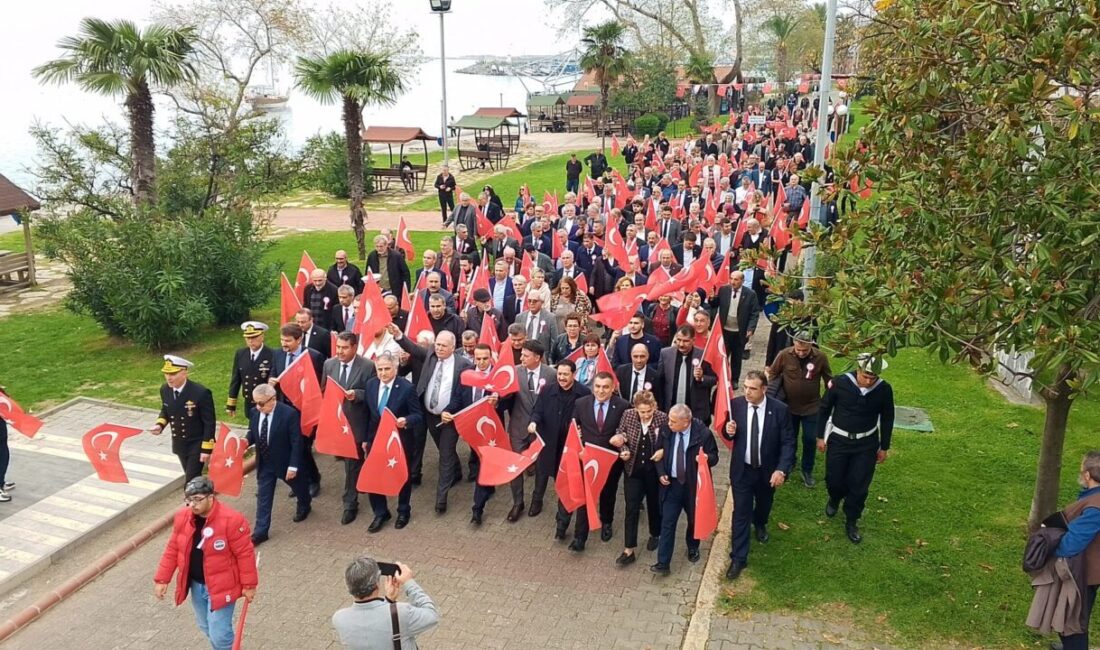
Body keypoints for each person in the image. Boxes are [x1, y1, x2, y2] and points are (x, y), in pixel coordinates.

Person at [154, 476, 257, 650]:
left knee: (219, 633)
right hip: (196, 585)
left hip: (221, 586)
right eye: (189, 500)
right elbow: (173, 549)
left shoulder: (231, 520)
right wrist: (162, 579)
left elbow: (245, 554)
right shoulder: (182, 517)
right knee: (206, 626)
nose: (192, 505)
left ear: (211, 497)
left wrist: (249, 585)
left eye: (197, 499)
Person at [721, 371, 795, 580]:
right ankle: (738, 558)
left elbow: (788, 442)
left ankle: (760, 522)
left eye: (752, 388)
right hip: (742, 471)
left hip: (767, 471)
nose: (747, 392)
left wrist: (781, 469)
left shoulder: (779, 410)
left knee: (763, 504)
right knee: (741, 512)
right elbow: (728, 435)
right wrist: (729, 431)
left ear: (764, 389)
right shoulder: (736, 406)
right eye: (745, 387)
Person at [391, 326, 472, 514]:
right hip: (429, 414)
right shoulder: (430, 355)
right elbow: (411, 347)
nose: (439, 348)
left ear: (453, 347)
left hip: (449, 418)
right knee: (444, 448)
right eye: (437, 345)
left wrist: (450, 410)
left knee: (445, 454)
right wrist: (398, 335)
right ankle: (457, 471)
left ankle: (441, 499)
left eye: (444, 346)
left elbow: (461, 394)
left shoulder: (463, 365)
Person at [816, 353, 895, 544]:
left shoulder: (884, 389)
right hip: (839, 440)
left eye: (872, 378)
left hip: (866, 444)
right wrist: (820, 436)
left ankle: (852, 520)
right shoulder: (840, 383)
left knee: (859, 485)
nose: (868, 381)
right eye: (865, 376)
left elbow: (887, 418)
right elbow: (825, 408)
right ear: (858, 370)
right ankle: (834, 498)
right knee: (834, 479)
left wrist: (884, 446)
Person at [559, 371, 629, 551]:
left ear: (613, 388)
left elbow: (627, 430)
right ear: (592, 387)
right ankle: (579, 538)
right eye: (597, 386)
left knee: (608, 493)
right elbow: (573, 424)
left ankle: (606, 522)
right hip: (587, 459)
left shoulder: (622, 406)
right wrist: (576, 432)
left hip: (610, 461)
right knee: (585, 496)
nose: (601, 390)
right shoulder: (581, 403)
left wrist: (622, 437)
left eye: (606, 387)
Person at [650, 404, 720, 575]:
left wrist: (705, 458)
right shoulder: (666, 431)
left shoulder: (703, 434)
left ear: (686, 422)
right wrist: (661, 473)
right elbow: (658, 453)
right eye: (669, 420)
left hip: (693, 486)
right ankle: (663, 563)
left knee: (693, 520)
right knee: (668, 522)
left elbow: (714, 456)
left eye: (674, 422)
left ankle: (693, 547)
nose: (669, 424)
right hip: (672, 485)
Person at [362, 353, 423, 532]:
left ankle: (403, 510)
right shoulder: (371, 385)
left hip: (399, 440)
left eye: (387, 369)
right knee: (374, 476)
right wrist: (365, 439)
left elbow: (418, 415)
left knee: (401, 476)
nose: (383, 373)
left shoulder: (406, 388)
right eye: (379, 369)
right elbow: (368, 415)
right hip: (376, 439)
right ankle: (380, 513)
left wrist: (406, 420)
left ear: (395, 369)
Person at [245, 385, 312, 544]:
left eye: (261, 403)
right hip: (265, 463)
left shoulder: (289, 414)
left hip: (284, 462)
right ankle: (260, 532)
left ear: (273, 399)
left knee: (299, 488)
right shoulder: (255, 413)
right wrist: (245, 441)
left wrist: (293, 466)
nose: (258, 407)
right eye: (256, 403)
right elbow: (253, 432)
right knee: (263, 497)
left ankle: (304, 504)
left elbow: (296, 442)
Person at [322, 332, 376, 525]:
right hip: (337, 424)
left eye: (344, 348)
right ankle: (359, 482)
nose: (340, 351)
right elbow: (324, 390)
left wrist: (357, 395)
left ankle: (350, 504)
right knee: (352, 463)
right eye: (338, 347)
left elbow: (373, 393)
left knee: (351, 465)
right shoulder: (329, 364)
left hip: (357, 423)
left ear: (354, 347)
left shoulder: (368, 366)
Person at [528, 359, 592, 519]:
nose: (561, 377)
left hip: (567, 445)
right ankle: (537, 500)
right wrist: (533, 422)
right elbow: (538, 410)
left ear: (574, 374)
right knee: (541, 474)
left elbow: (586, 417)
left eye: (565, 374)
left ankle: (562, 511)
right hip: (548, 440)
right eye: (559, 374)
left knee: (563, 478)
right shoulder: (547, 390)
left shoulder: (584, 393)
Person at [767, 335, 832, 487]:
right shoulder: (784, 354)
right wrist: (777, 389)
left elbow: (828, 378)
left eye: (805, 350)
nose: (801, 353)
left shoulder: (820, 357)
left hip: (812, 407)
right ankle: (789, 464)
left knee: (810, 439)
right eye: (798, 349)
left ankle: (807, 470)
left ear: (811, 345)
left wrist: (827, 398)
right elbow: (773, 373)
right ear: (793, 344)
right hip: (788, 407)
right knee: (790, 438)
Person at [332, 558, 439, 650]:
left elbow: (372, 634)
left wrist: (389, 601)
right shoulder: (401, 613)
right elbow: (431, 615)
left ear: (349, 587)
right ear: (376, 585)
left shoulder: (339, 619)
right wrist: (409, 582)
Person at [270, 323, 325, 498]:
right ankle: (300, 480)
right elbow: (274, 372)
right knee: (289, 447)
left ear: (299, 339)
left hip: (303, 410)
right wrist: (273, 382)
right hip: (283, 408)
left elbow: (318, 384)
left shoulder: (312, 356)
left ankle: (314, 479)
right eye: (281, 340)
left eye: (287, 341)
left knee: (301, 448)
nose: (283, 344)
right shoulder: (278, 354)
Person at [612, 390, 667, 565]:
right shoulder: (628, 415)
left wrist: (662, 451)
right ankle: (629, 549)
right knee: (631, 507)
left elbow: (668, 441)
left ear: (654, 407)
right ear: (635, 408)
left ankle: (655, 533)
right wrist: (623, 450)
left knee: (654, 505)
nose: (645, 415)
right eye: (641, 411)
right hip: (633, 470)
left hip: (653, 471)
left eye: (648, 411)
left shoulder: (662, 418)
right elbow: (621, 434)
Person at [1053, 451, 1100, 650]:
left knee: (1072, 625)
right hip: (1089, 570)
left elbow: (1072, 543)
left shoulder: (1095, 506)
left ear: (1087, 475)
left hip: (1085, 572)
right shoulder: (1093, 499)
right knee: (1072, 619)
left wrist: (1051, 541)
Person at [506, 341, 556, 521]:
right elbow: (507, 398)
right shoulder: (514, 372)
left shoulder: (552, 374)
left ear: (537, 358)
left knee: (541, 467)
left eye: (526, 356)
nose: (521, 358)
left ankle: (537, 499)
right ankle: (517, 502)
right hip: (518, 427)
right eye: (521, 355)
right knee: (516, 467)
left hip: (541, 430)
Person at [152, 355, 216, 481]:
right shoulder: (165, 390)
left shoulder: (200, 392)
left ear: (184, 372)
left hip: (197, 443)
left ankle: (191, 500)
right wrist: (160, 424)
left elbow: (209, 422)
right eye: (166, 374)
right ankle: (203, 497)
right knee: (191, 477)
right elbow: (166, 409)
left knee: (191, 479)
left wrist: (206, 449)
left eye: (173, 374)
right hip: (180, 443)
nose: (169, 378)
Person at [711, 271, 760, 389]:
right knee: (723, 356)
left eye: (736, 279)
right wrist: (711, 298)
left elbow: (754, 313)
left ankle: (734, 380)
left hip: (739, 332)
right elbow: (715, 304)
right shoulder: (724, 290)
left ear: (742, 281)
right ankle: (721, 377)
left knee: (737, 358)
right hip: (725, 330)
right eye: (731, 279)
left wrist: (751, 328)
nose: (733, 282)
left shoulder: (750, 294)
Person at [655, 326, 717, 420]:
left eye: (685, 341)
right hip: (671, 411)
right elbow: (659, 381)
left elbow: (714, 379)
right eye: (678, 340)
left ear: (693, 340)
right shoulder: (665, 354)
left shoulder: (703, 355)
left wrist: (702, 378)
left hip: (696, 412)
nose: (681, 344)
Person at [226, 321, 274, 417]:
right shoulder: (241, 354)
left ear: (262, 336)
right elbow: (236, 379)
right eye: (248, 338)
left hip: (265, 401)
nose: (251, 341)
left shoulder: (271, 354)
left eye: (254, 337)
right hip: (249, 402)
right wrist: (231, 403)